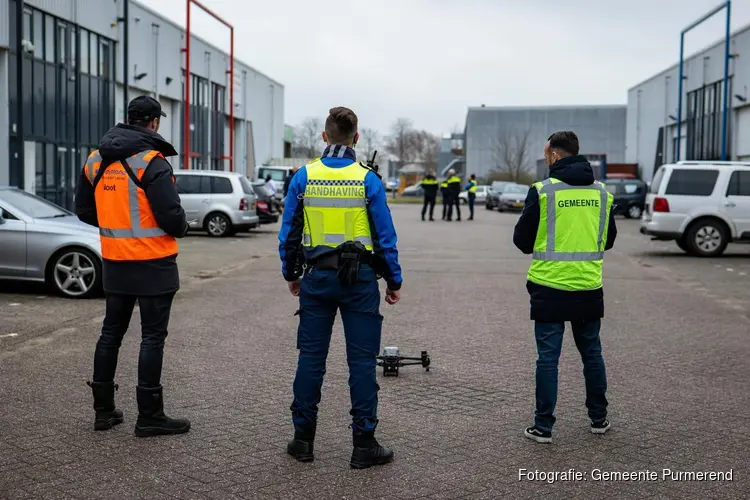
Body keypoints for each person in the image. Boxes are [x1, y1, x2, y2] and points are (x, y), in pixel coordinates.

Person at [278, 106, 403, 469]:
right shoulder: (369, 180)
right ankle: (364, 444)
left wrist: (291, 273)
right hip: (360, 280)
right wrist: (393, 280)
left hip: (317, 278)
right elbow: (385, 237)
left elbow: (289, 232)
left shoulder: (303, 177)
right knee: (362, 363)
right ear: (357, 138)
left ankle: (303, 441)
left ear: (324, 136)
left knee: (311, 359)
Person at [75, 95, 191, 438]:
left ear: (129, 118)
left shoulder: (96, 161)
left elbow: (83, 210)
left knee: (111, 333)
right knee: (152, 338)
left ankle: (103, 411)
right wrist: (182, 227)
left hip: (114, 262)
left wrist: (116, 225)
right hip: (153, 263)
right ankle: (150, 415)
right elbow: (171, 216)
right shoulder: (150, 162)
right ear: (154, 122)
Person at [512, 131, 617, 444]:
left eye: (547, 154)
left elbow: (521, 241)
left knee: (548, 359)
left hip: (549, 287)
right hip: (587, 286)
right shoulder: (602, 193)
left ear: (553, 154)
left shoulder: (543, 191)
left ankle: (544, 427)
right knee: (592, 355)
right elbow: (608, 241)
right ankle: (599, 419)